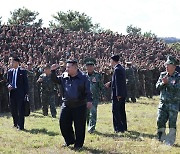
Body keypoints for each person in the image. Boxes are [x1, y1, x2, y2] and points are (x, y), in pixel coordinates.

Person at [51, 59, 93, 149]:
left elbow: (88, 91)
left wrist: (89, 101)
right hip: (66, 104)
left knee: (79, 126)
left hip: (79, 105)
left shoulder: (83, 77)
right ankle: (69, 140)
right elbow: (55, 80)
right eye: (66, 67)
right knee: (63, 123)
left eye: (68, 67)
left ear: (75, 67)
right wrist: (53, 71)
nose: (66, 69)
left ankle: (78, 144)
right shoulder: (64, 76)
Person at [156, 55, 180, 146]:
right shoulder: (162, 75)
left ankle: (170, 140)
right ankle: (161, 138)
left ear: (173, 66)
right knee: (160, 120)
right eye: (165, 65)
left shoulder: (178, 76)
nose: (166, 66)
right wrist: (163, 83)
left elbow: (177, 89)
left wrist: (168, 83)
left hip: (173, 104)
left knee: (172, 123)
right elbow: (157, 87)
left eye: (168, 65)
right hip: (163, 103)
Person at [105, 55, 127, 133]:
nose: (110, 62)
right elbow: (117, 80)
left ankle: (118, 128)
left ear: (113, 61)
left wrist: (118, 94)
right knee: (121, 110)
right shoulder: (121, 68)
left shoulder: (117, 69)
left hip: (117, 94)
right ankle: (123, 127)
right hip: (121, 93)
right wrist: (110, 83)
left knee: (116, 111)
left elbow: (118, 83)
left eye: (110, 61)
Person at [7, 57, 29, 130]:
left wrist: (26, 94)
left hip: (20, 93)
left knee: (20, 109)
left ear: (17, 62)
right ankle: (15, 123)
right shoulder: (10, 71)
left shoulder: (23, 71)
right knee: (13, 109)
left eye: (12, 62)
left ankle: (21, 126)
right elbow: (7, 81)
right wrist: (8, 85)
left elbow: (26, 83)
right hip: (12, 93)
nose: (11, 63)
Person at [84, 58, 105, 133]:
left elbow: (101, 85)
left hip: (94, 97)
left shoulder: (97, 75)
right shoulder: (83, 76)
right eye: (88, 66)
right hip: (85, 98)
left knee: (93, 113)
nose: (89, 67)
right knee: (86, 113)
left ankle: (91, 128)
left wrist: (103, 94)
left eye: (91, 66)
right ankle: (88, 125)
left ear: (93, 67)